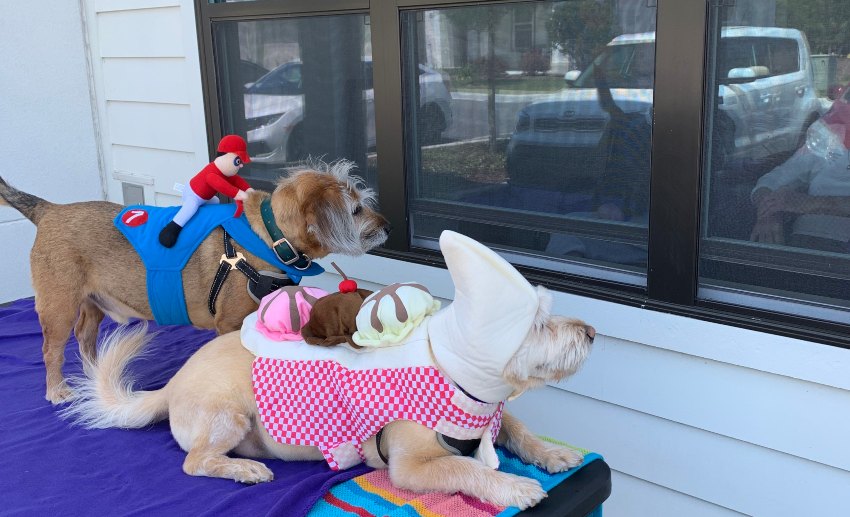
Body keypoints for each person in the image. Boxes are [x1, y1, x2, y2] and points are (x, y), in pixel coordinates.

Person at [750, 98, 850, 250]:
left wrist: (806, 203)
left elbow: (796, 202)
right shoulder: (831, 137)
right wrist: (769, 212)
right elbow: (772, 180)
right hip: (802, 248)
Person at [159, 134, 255, 247]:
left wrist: (249, 190)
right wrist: (239, 194)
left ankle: (204, 220)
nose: (241, 166)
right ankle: (171, 229)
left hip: (205, 198)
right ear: (226, 157)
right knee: (191, 208)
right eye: (238, 161)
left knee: (216, 201)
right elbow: (222, 186)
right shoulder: (212, 172)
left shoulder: (225, 172)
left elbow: (237, 181)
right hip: (192, 195)